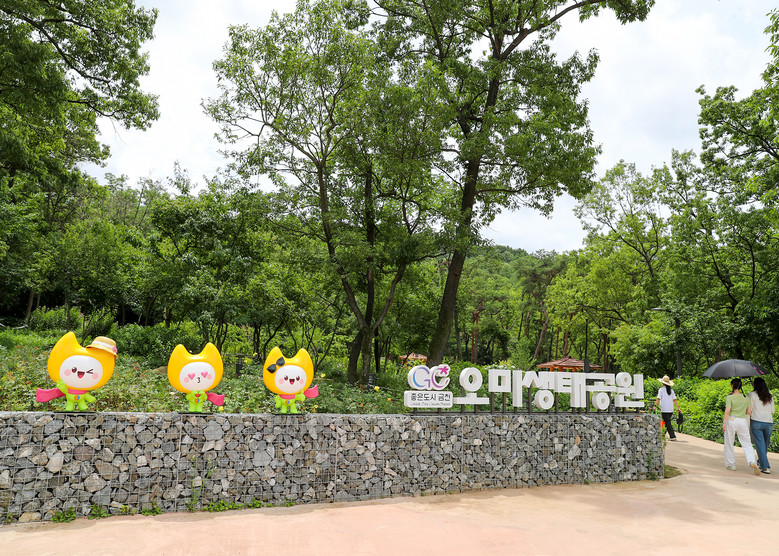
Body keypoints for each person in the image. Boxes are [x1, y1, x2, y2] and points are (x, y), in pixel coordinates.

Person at [723, 378, 760, 475]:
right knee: (747, 443)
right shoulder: (745, 398)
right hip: (742, 421)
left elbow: (727, 411)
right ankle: (752, 461)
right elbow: (749, 412)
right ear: (740, 386)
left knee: (729, 442)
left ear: (732, 386)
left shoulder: (729, 397)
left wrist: (724, 423)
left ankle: (731, 464)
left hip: (732, 420)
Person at [748, 377, 775, 474]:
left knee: (760, 445)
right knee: (765, 445)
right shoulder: (769, 396)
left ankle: (765, 467)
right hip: (768, 422)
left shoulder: (751, 395)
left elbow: (749, 409)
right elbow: (772, 411)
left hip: (756, 421)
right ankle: (760, 462)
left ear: (755, 385)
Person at [653, 375, 682, 441]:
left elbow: (658, 398)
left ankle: (672, 436)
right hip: (671, 409)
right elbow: (674, 400)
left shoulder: (661, 390)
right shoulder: (671, 390)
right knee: (667, 422)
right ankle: (662, 435)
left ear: (663, 383)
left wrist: (655, 405)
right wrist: (678, 408)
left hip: (664, 409)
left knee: (668, 423)